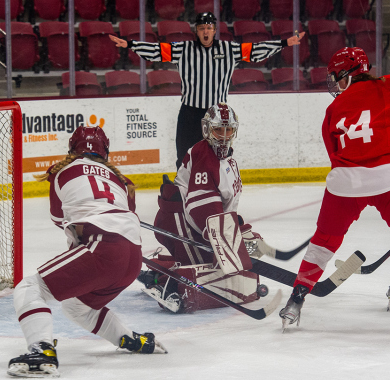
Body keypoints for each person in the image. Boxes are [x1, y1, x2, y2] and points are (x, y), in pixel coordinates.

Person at [7, 126, 166, 378]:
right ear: (106, 152)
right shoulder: (123, 182)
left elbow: (59, 218)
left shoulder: (60, 171)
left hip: (102, 247)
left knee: (29, 288)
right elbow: (128, 214)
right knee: (76, 307)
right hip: (133, 256)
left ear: (72, 150)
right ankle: (130, 340)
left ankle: (41, 351)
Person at [279, 47, 390, 330]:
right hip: (387, 176)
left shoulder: (332, 110)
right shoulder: (386, 87)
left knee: (323, 241)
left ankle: (297, 298)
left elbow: (334, 155)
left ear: (347, 74)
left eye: (336, 78)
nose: (336, 85)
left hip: (346, 182)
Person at [109, 12, 305, 169]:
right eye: (202, 28)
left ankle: (220, 191)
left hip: (217, 115)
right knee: (184, 157)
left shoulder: (229, 49)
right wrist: (131, 44)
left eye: (209, 28)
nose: (205, 31)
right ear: (196, 30)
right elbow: (158, 50)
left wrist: (284, 43)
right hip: (189, 113)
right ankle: (183, 195)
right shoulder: (183, 49)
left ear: (214, 30)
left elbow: (255, 50)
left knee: (220, 156)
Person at [138, 103, 267, 313]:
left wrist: (237, 227)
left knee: (217, 264)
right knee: (210, 269)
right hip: (180, 223)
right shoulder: (204, 155)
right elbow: (201, 208)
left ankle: (158, 268)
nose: (224, 136)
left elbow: (222, 204)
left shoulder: (227, 158)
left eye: (229, 130)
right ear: (207, 129)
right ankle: (163, 280)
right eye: (219, 130)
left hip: (194, 224)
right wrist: (227, 238)